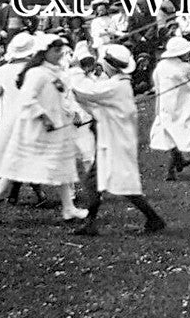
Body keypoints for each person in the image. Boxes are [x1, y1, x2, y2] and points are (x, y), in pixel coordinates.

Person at [0, 34, 88, 226]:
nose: (60, 54)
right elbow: (27, 99)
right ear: (44, 52)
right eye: (55, 50)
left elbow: (62, 96)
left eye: (61, 50)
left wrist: (73, 113)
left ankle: (68, 207)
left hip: (57, 126)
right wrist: (44, 117)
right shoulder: (36, 73)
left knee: (61, 163)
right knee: (17, 167)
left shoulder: (53, 71)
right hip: (36, 127)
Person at [70, 44, 167, 236]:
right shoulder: (118, 84)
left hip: (116, 141)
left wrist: (75, 72)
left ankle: (154, 219)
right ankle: (90, 223)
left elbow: (87, 91)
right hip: (111, 137)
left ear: (109, 66)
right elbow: (92, 100)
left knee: (123, 184)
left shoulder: (116, 86)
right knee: (95, 180)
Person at [0, 33, 47, 215]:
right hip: (33, 119)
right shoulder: (39, 71)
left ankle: (19, 193)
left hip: (10, 121)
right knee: (28, 157)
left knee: (20, 158)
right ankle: (27, 194)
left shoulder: (2, 72)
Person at [149, 35, 190, 181]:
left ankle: (174, 167)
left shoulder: (161, 66)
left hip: (166, 105)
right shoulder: (183, 67)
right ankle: (182, 158)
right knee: (189, 129)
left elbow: (156, 81)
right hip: (183, 105)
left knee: (170, 134)